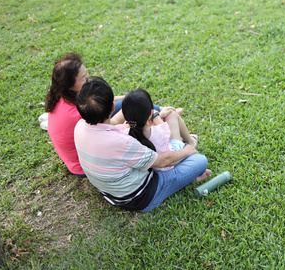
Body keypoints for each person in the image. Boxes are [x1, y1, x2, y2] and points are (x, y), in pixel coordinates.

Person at [74, 77, 211, 212]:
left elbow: (122, 128)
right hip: (140, 198)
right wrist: (187, 150)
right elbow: (163, 161)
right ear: (112, 107)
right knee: (200, 161)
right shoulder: (122, 142)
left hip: (111, 194)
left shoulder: (79, 127)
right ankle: (187, 163)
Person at [44, 53, 171, 176]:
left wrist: (128, 98)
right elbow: (112, 128)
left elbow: (103, 100)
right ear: (70, 86)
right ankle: (156, 115)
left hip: (80, 154)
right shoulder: (80, 113)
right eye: (84, 78)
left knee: (133, 103)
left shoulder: (64, 96)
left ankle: (157, 111)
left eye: (87, 74)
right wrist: (132, 113)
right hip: (84, 163)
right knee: (135, 107)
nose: (89, 80)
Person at [121, 88, 199, 172]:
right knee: (172, 114)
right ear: (150, 113)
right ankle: (191, 141)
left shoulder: (123, 132)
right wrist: (156, 115)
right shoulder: (159, 131)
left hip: (153, 169)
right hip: (171, 162)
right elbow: (169, 133)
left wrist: (159, 115)